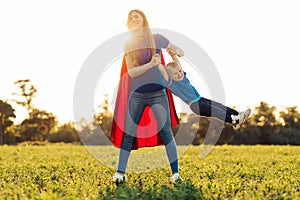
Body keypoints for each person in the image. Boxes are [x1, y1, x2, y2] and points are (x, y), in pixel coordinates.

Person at [111, 9, 184, 184]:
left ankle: (175, 175)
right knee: (128, 133)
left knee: (167, 132)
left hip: (158, 93)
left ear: (143, 19)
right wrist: (151, 64)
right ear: (129, 23)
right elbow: (133, 72)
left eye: (137, 16)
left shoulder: (157, 38)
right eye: (131, 18)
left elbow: (179, 50)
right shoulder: (129, 43)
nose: (134, 19)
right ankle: (120, 173)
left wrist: (175, 54)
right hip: (136, 95)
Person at [158, 52, 251, 129]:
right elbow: (163, 72)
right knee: (216, 111)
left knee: (220, 107)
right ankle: (233, 120)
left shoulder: (183, 77)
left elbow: (178, 66)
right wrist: (158, 63)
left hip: (200, 99)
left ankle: (237, 115)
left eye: (180, 71)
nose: (179, 74)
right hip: (196, 105)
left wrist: (173, 55)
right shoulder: (172, 84)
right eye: (175, 73)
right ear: (169, 77)